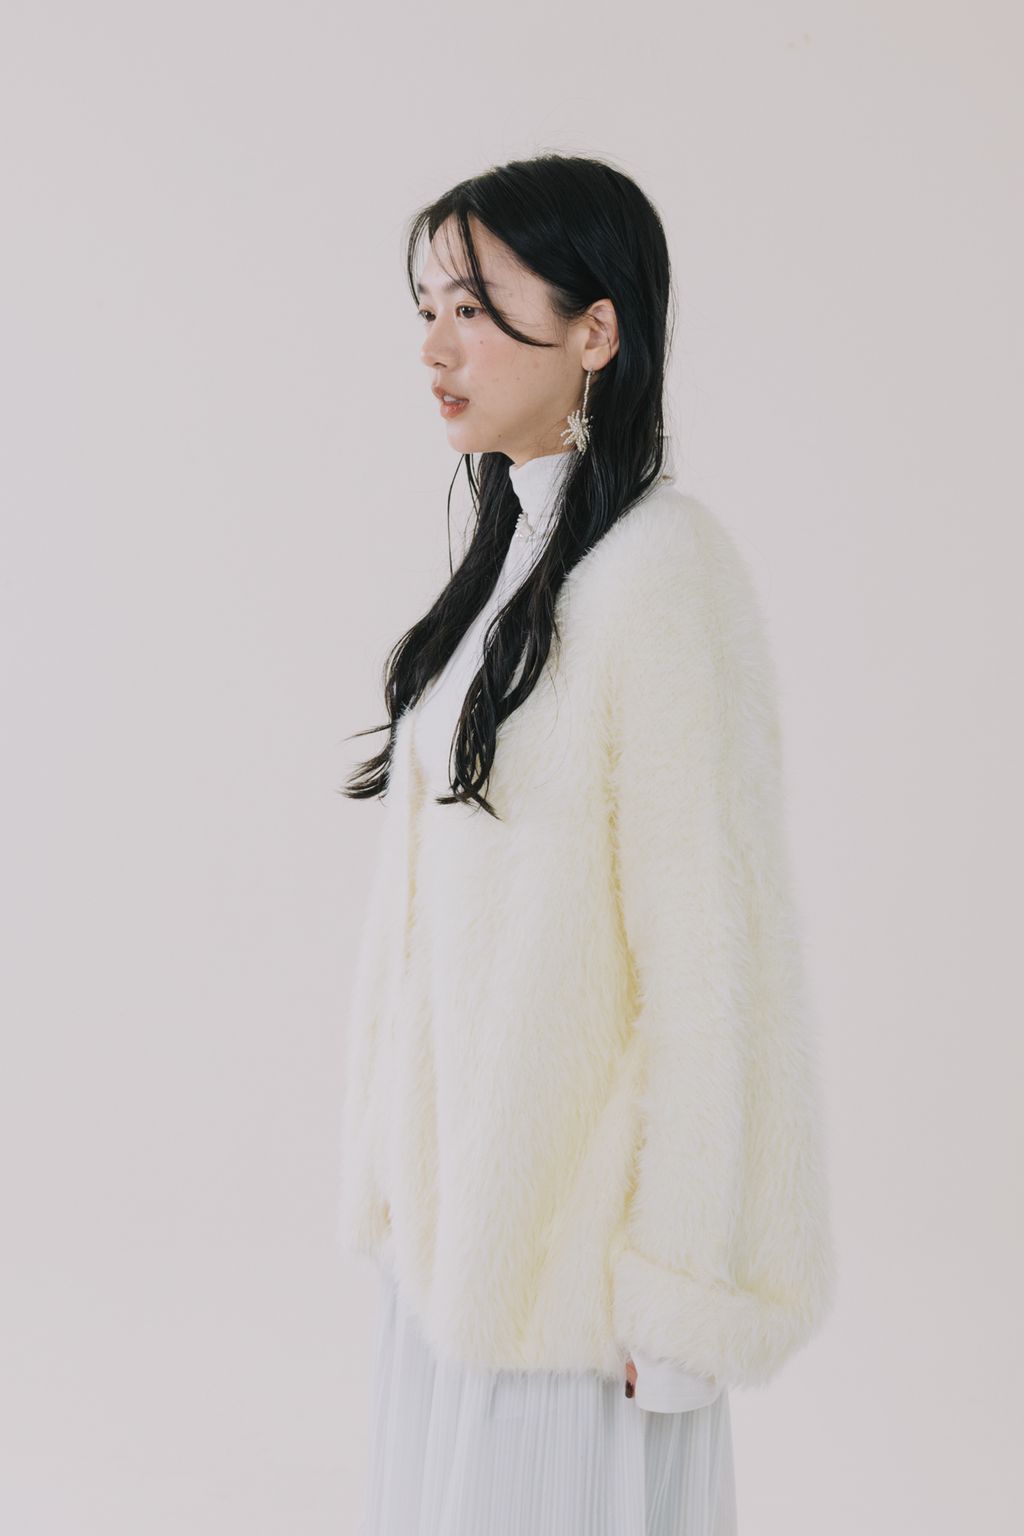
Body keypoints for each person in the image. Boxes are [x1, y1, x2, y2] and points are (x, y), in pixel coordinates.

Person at [336, 153, 837, 1536]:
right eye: (428, 309)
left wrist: (683, 1286)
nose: (436, 347)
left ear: (595, 330)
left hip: (575, 1286)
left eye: (476, 308)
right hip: (455, 1262)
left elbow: (715, 959)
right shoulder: (506, 569)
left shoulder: (662, 573)